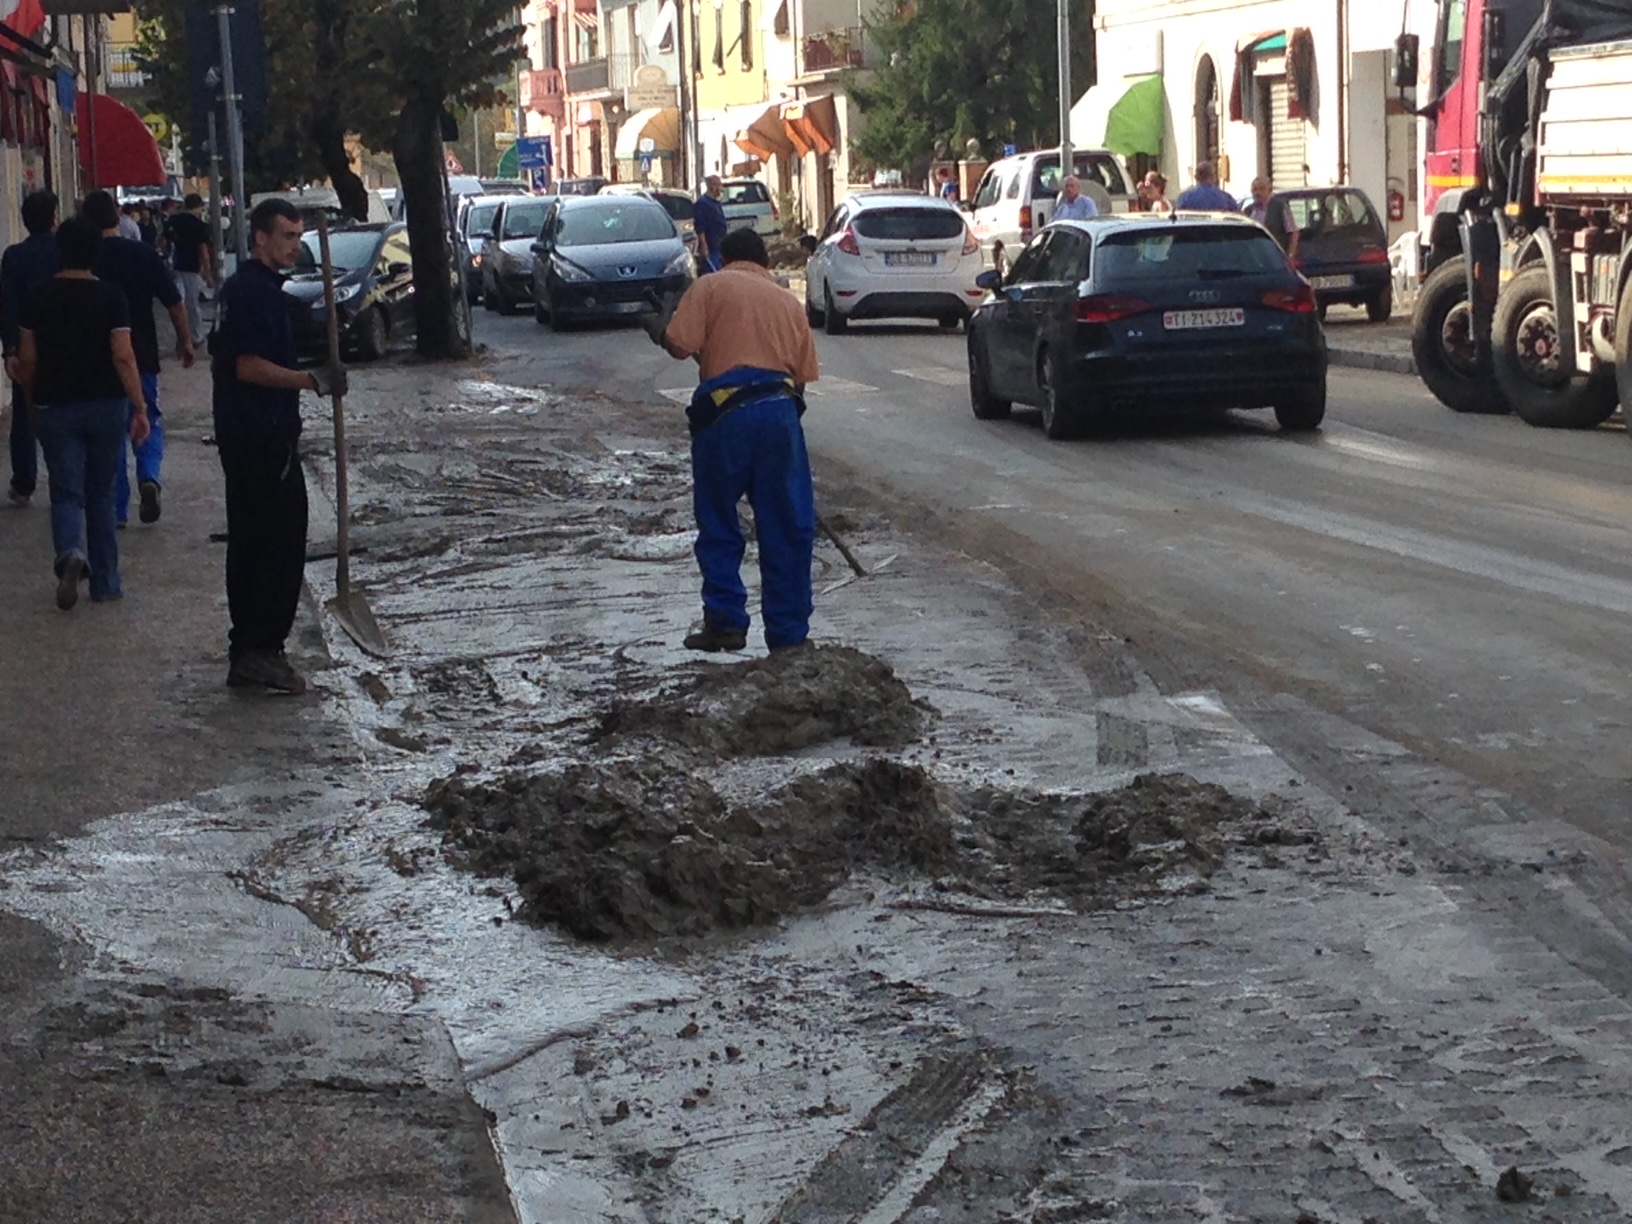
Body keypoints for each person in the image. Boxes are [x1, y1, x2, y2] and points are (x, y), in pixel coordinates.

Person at [644, 227, 820, 653]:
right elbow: (802, 377)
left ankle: (725, 624)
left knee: (720, 519)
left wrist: (660, 332)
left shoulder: (709, 286)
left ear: (724, 257)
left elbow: (681, 344)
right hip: (778, 411)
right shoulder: (786, 300)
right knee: (787, 525)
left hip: (723, 415)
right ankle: (789, 636)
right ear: (765, 263)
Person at [211, 198, 346, 694]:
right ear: (261, 239)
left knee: (252, 544)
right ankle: (263, 648)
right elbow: (246, 365)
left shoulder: (257, 290)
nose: (296, 245)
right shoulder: (252, 293)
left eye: (299, 236)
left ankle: (248, 650)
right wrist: (310, 380)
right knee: (278, 546)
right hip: (260, 439)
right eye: (286, 237)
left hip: (250, 436)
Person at [13, 216, 150, 610]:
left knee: (66, 491)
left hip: (55, 404)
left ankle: (71, 551)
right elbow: (123, 356)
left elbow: (28, 358)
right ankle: (106, 582)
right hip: (107, 405)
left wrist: (30, 400)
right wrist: (139, 406)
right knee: (101, 494)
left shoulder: (37, 297)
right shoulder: (111, 296)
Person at [82, 190, 195, 529]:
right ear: (118, 216)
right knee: (148, 419)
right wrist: (185, 341)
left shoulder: (84, 259)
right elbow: (175, 303)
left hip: (97, 360)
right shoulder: (143, 255)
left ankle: (116, 509)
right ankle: (148, 476)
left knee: (110, 434)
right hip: (142, 354)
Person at [1, 190, 59, 507]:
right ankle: (64, 474)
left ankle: (24, 482)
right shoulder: (66, 251)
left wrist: (10, 349)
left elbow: (7, 305)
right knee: (66, 409)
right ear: (53, 218)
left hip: (26, 344)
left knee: (24, 415)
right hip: (64, 342)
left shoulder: (14, 256)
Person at [167, 194, 214, 344]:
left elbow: (162, 241)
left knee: (178, 302)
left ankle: (181, 335)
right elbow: (203, 250)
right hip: (191, 267)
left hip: (175, 265)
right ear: (199, 206)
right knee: (192, 304)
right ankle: (196, 335)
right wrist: (207, 273)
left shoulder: (173, 220)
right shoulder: (199, 225)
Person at [1244, 177, 1300, 262]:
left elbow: (1293, 233)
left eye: (1262, 189)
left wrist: (1290, 255)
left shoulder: (1280, 207)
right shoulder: (1248, 210)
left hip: (1276, 258)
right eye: (1254, 190)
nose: (1257, 193)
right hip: (1255, 259)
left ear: (1269, 191)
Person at [693, 175, 728, 275]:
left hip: (719, 245)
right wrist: (704, 246)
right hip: (710, 246)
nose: (720, 189)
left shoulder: (715, 202)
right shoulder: (703, 204)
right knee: (711, 273)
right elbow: (700, 227)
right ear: (711, 186)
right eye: (717, 185)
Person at [1175, 161, 1239, 211]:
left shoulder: (1185, 198)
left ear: (1196, 177)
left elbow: (1178, 219)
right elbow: (1238, 217)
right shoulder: (1226, 198)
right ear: (1214, 177)